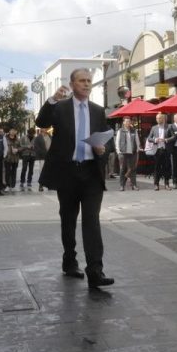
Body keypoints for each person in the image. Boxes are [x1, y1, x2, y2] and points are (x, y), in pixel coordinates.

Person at [35, 68, 113, 288]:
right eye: (82, 81)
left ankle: (95, 271)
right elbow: (41, 122)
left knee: (92, 221)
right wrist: (52, 100)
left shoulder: (98, 111)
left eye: (89, 81)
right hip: (67, 173)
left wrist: (103, 150)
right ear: (72, 84)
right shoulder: (60, 108)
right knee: (68, 220)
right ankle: (70, 261)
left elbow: (108, 140)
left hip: (90, 173)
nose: (87, 84)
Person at [148, 112, 175, 190]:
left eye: (160, 118)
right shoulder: (154, 128)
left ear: (163, 119)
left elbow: (174, 137)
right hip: (157, 150)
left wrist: (166, 140)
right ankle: (156, 184)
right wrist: (155, 139)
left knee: (167, 167)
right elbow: (149, 138)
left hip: (166, 150)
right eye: (157, 118)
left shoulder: (169, 127)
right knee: (157, 168)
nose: (158, 119)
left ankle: (167, 184)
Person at [115, 116, 141, 191]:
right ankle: (122, 185)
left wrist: (138, 149)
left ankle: (134, 185)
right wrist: (118, 151)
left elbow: (137, 140)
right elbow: (117, 142)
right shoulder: (120, 131)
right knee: (122, 170)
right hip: (123, 153)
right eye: (126, 121)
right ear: (123, 122)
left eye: (129, 121)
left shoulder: (134, 130)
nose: (128, 123)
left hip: (132, 153)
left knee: (132, 170)